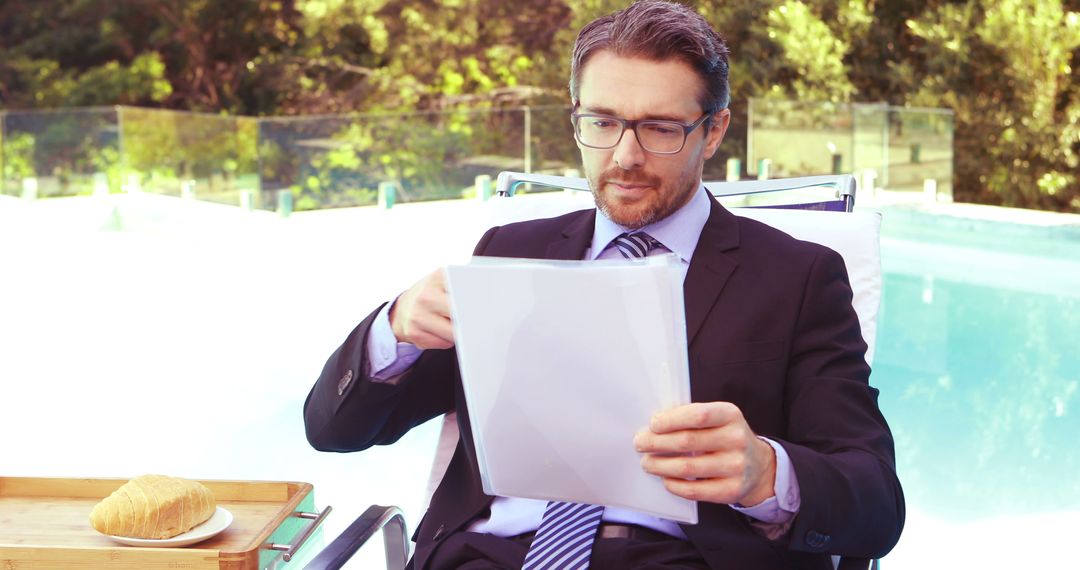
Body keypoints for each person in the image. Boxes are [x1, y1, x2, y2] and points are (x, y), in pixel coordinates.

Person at [304, 1, 904, 568]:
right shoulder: (507, 254)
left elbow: (875, 501)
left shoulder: (798, 277)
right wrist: (396, 328)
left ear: (713, 132)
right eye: (603, 122)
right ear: (576, 119)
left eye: (661, 128)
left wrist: (767, 475)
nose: (624, 156)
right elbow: (334, 431)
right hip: (483, 557)